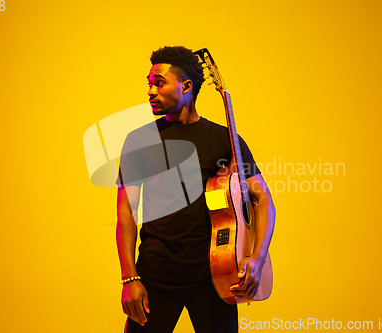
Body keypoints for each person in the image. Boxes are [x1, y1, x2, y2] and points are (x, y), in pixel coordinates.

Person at [116, 46, 276, 333]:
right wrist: (130, 279)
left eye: (159, 83)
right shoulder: (139, 140)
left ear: (186, 86)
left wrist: (258, 257)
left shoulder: (224, 138)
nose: (151, 91)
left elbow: (262, 198)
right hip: (156, 276)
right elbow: (126, 212)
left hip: (215, 276)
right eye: (149, 84)